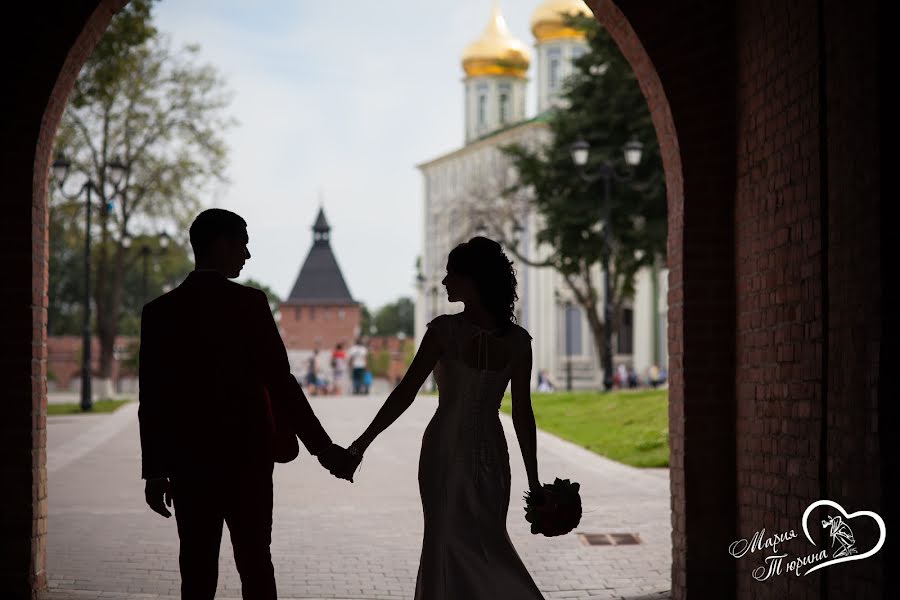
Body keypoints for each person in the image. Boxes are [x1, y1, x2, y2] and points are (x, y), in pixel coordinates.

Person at [138, 209, 353, 600]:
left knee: (196, 570)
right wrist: (323, 449)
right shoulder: (250, 304)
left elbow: (152, 400)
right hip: (247, 461)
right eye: (243, 244)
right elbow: (281, 383)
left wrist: (154, 471)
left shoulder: (159, 313)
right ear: (222, 245)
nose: (248, 255)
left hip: (189, 465)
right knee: (256, 564)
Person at [333, 236, 545, 599]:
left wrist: (536, 484)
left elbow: (524, 414)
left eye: (452, 275)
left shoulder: (449, 332)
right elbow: (405, 393)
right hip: (473, 452)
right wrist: (361, 444)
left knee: (478, 538)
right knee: (453, 537)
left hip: (456, 447)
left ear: (474, 280)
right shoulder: (510, 340)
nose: (444, 282)